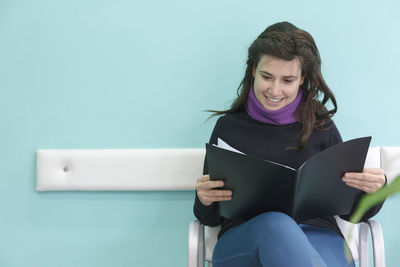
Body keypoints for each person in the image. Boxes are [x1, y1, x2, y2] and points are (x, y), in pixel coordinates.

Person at [193, 21, 386, 267]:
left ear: (302, 78)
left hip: (319, 236)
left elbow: (351, 212)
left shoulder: (322, 127)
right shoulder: (228, 128)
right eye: (266, 76)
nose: (275, 90)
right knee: (275, 223)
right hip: (245, 239)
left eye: (287, 80)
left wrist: (374, 191)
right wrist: (204, 199)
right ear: (253, 70)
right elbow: (207, 217)